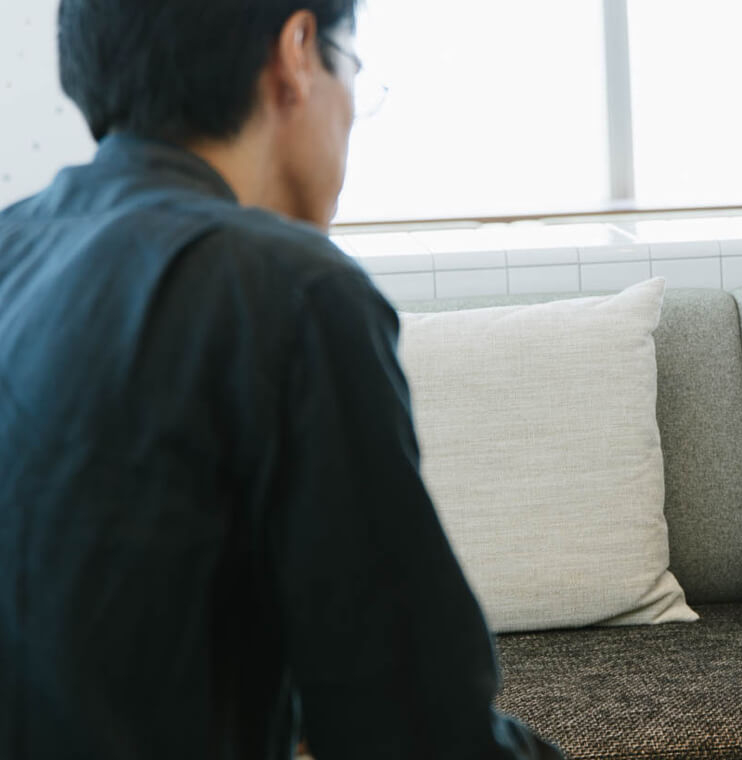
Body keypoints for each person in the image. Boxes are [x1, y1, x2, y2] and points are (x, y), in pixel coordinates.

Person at [0, 1, 561, 757]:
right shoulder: (290, 291)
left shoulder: (14, 251)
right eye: (353, 69)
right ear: (297, 52)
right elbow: (414, 733)